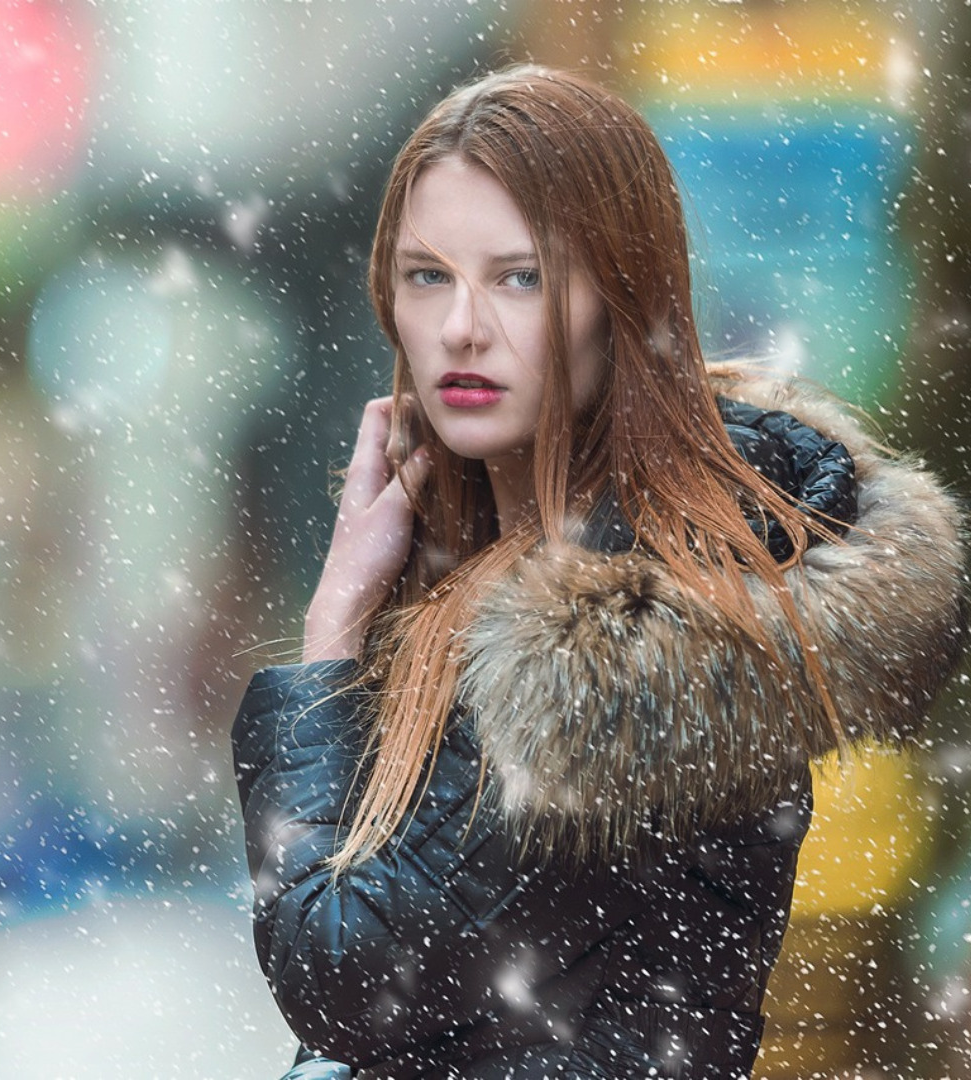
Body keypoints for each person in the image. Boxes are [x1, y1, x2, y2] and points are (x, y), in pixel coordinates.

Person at [231, 66, 966, 1079]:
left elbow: (347, 980)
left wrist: (329, 629)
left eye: (520, 276)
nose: (462, 327)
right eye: (427, 275)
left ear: (620, 297)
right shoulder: (482, 581)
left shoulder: (627, 636)